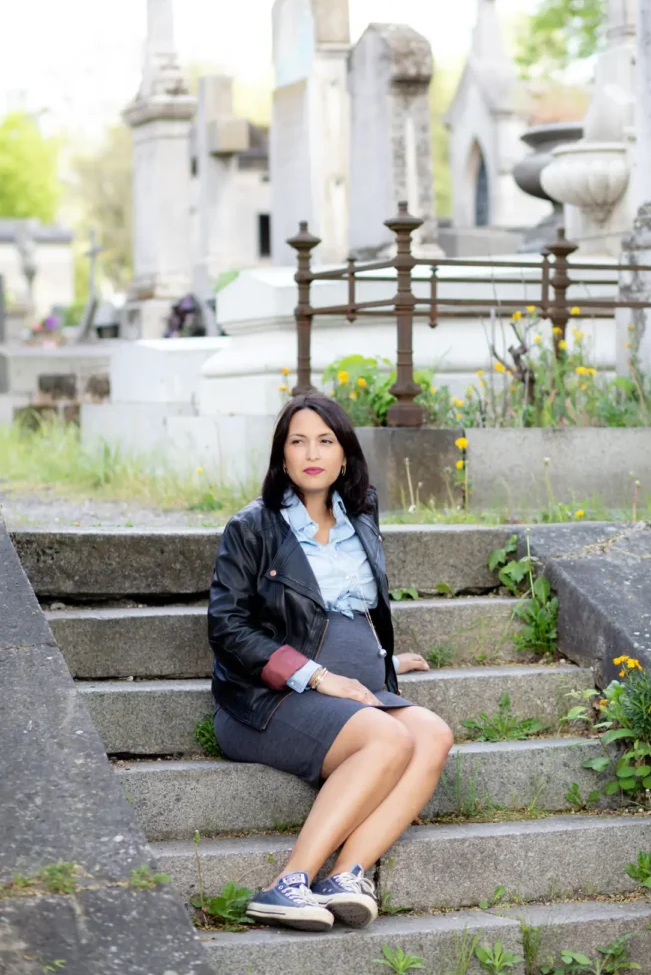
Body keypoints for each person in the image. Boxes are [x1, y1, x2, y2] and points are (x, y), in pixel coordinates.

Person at [208, 393, 454, 932]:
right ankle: (288, 883)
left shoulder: (359, 515)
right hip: (269, 700)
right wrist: (319, 674)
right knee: (389, 739)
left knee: (433, 735)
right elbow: (228, 628)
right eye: (298, 441)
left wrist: (381, 660)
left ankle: (345, 876)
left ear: (345, 454)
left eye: (325, 440)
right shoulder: (253, 527)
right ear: (282, 455)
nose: (312, 453)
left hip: (355, 694)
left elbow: (355, 608)